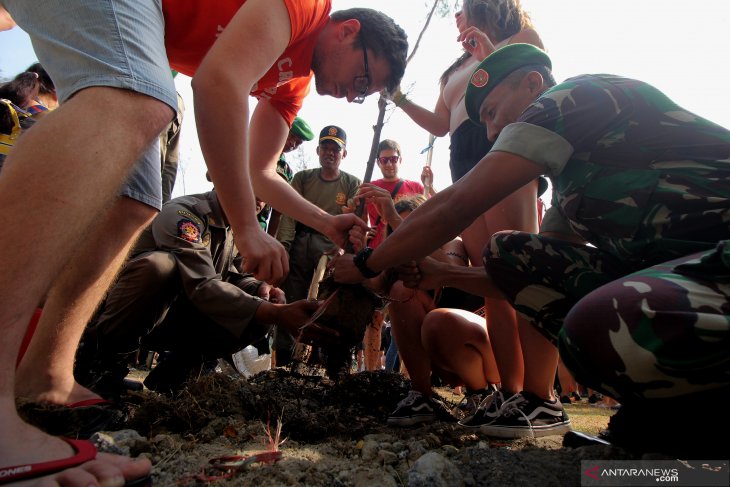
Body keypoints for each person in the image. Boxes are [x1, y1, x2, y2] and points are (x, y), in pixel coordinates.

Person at [0, 1, 407, 484]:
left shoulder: (291, 85)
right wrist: (248, 229)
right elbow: (218, 82)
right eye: (362, 82)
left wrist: (325, 221)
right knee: (136, 99)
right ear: (347, 32)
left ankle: (45, 378)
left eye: (363, 96)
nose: (349, 97)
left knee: (135, 197)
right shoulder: (304, 6)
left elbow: (260, 171)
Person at [336, 43, 730, 451]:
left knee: (599, 324)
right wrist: (446, 274)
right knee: (511, 253)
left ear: (532, 84)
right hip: (688, 276)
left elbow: (453, 206)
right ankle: (666, 417)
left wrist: (369, 262)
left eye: (491, 112)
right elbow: (530, 275)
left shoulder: (570, 99)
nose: (490, 132)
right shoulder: (569, 186)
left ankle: (693, 429)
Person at [389, 0, 545, 406]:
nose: (456, 15)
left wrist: (488, 51)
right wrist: (399, 97)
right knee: (490, 278)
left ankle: (540, 395)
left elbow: (532, 81)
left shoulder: (519, 39)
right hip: (463, 160)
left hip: (505, 142)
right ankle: (509, 394)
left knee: (519, 268)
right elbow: (441, 125)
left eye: (462, 6)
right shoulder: (454, 69)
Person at [75, 189, 330, 397]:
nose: (259, 202)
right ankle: (100, 368)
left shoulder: (236, 231)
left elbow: (234, 276)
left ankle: (174, 377)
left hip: (181, 317)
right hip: (134, 315)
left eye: (263, 199)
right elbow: (203, 285)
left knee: (258, 306)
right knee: (160, 267)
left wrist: (262, 290)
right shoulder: (185, 214)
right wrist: (276, 314)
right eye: (252, 190)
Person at [274, 125, 361, 365]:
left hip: (331, 249)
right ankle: (284, 357)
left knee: (327, 304)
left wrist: (344, 249)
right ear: (318, 150)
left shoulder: (352, 183)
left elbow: (356, 218)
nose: (330, 153)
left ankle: (320, 360)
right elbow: (289, 214)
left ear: (344, 154)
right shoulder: (302, 178)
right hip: (301, 243)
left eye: (336, 149)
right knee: (291, 298)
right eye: (326, 147)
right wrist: (284, 246)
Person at [361, 139, 430, 371]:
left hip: (409, 258)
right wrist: (364, 232)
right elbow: (360, 219)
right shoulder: (370, 187)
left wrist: (428, 186)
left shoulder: (415, 187)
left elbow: (430, 215)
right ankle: (371, 372)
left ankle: (409, 374)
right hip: (382, 257)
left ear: (400, 159)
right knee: (375, 317)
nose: (389, 164)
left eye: (393, 158)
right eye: (384, 159)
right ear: (378, 162)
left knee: (411, 315)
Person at [259, 116, 315, 236]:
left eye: (298, 143)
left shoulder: (286, 171)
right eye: (291, 136)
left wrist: (270, 239)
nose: (293, 143)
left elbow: (277, 212)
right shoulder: (252, 148)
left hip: (256, 228)